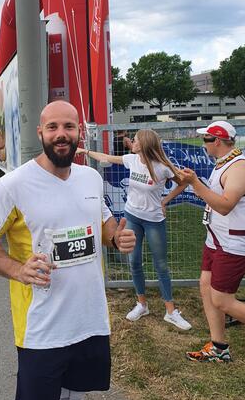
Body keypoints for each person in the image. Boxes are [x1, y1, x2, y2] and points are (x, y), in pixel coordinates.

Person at [0, 101, 136, 400]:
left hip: (88, 317)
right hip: (41, 327)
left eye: (69, 127)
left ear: (80, 133)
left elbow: (103, 224)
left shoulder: (90, 178)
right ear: (40, 133)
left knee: (74, 399)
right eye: (53, 127)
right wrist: (17, 269)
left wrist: (116, 238)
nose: (62, 134)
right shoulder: (13, 185)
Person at [78, 128, 192, 330]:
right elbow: (106, 157)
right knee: (134, 262)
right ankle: (142, 305)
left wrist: (165, 201)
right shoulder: (132, 159)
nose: (132, 141)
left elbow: (183, 183)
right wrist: (85, 152)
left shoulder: (163, 167)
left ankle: (170, 311)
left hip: (154, 220)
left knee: (161, 265)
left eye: (136, 139)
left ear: (144, 144)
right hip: (132, 216)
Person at [179, 121, 245, 362]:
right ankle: (219, 347)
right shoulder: (223, 163)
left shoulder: (239, 167)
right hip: (217, 240)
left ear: (216, 140)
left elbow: (225, 205)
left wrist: (195, 183)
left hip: (234, 244)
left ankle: (219, 347)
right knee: (206, 286)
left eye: (205, 139)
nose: (203, 144)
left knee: (223, 300)